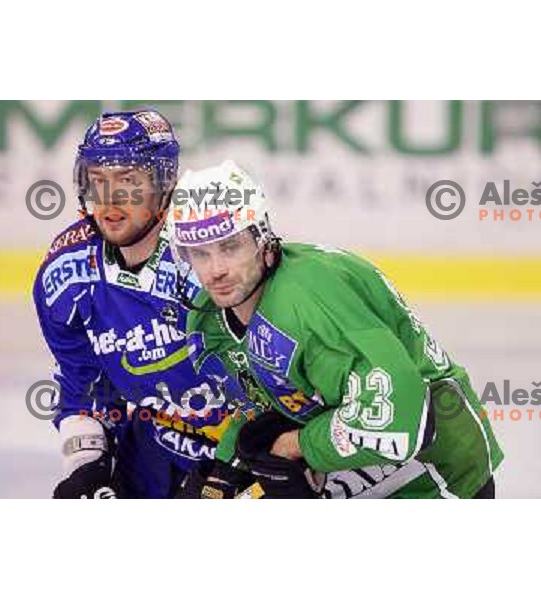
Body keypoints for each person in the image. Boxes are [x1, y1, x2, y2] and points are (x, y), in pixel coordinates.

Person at [169, 160, 504, 499]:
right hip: (355, 462)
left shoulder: (309, 306)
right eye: (199, 253)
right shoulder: (210, 320)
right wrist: (225, 470)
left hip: (439, 471)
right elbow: (265, 407)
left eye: (230, 246)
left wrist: (295, 445)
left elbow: (399, 419)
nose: (216, 271)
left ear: (262, 237)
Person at [32, 110, 241, 498]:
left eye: (128, 181)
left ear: (164, 184)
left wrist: (241, 464)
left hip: (246, 449)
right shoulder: (67, 275)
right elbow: (87, 387)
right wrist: (88, 468)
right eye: (98, 181)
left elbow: (278, 379)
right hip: (153, 443)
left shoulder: (211, 260)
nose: (110, 200)